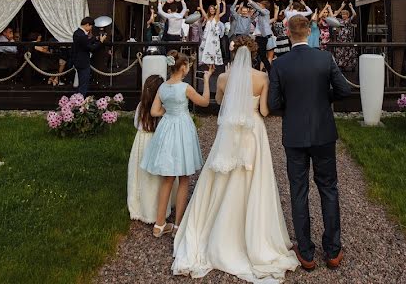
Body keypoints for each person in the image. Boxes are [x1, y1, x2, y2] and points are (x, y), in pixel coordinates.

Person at [173, 36, 299, 281]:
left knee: (222, 176)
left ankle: (217, 231)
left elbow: (220, 103)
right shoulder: (263, 78)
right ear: (253, 54)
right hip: (253, 131)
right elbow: (263, 111)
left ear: (232, 53)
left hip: (229, 132)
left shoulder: (223, 78)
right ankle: (251, 233)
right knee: (252, 178)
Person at [268, 16, 352, 271]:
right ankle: (333, 250)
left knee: (299, 189)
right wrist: (323, 100)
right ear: (310, 31)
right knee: (328, 188)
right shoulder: (324, 58)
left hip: (294, 134)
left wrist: (291, 108)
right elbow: (344, 91)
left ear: (288, 33)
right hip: (323, 132)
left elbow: (273, 104)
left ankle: (305, 251)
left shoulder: (280, 64)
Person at [140, 51, 210, 237]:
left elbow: (155, 111)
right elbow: (203, 102)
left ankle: (159, 224)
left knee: (168, 179)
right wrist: (207, 82)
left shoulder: (162, 87)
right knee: (184, 177)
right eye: (187, 66)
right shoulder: (185, 87)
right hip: (182, 128)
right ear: (183, 67)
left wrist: (169, 111)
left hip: (167, 128)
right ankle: (178, 225)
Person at [127, 75, 176, 223]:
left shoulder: (140, 106)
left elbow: (136, 124)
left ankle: (141, 207)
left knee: (142, 175)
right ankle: (157, 209)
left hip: (141, 142)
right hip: (156, 141)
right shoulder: (162, 108)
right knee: (156, 178)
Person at [72, 17, 107, 96]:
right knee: (83, 84)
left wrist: (95, 39)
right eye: (91, 26)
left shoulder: (77, 33)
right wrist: (101, 41)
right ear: (87, 25)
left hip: (78, 61)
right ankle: (79, 102)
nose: (91, 28)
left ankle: (77, 101)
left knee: (81, 83)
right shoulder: (82, 35)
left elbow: (86, 42)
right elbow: (91, 48)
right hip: (83, 62)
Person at [198, 0, 225, 69]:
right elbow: (201, 8)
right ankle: (208, 63)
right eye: (210, 9)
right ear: (209, 10)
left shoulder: (216, 17)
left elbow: (219, 7)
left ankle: (212, 64)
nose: (212, 10)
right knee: (204, 48)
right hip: (207, 36)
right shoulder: (207, 17)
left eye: (213, 9)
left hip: (214, 37)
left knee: (214, 49)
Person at [331, 2, 358, 72]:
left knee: (348, 51)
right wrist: (342, 6)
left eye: (345, 14)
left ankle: (350, 65)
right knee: (341, 51)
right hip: (341, 37)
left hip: (348, 37)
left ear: (347, 15)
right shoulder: (340, 20)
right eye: (343, 14)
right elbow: (334, 16)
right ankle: (341, 65)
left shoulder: (348, 20)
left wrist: (351, 7)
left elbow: (354, 14)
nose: (344, 15)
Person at [247, 0, 273, 70]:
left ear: (264, 6)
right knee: (255, 55)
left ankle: (270, 70)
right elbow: (251, 19)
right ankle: (257, 70)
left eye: (261, 4)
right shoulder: (258, 12)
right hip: (257, 37)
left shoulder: (266, 12)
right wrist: (251, 13)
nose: (259, 5)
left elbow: (258, 8)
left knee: (262, 56)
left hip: (263, 37)